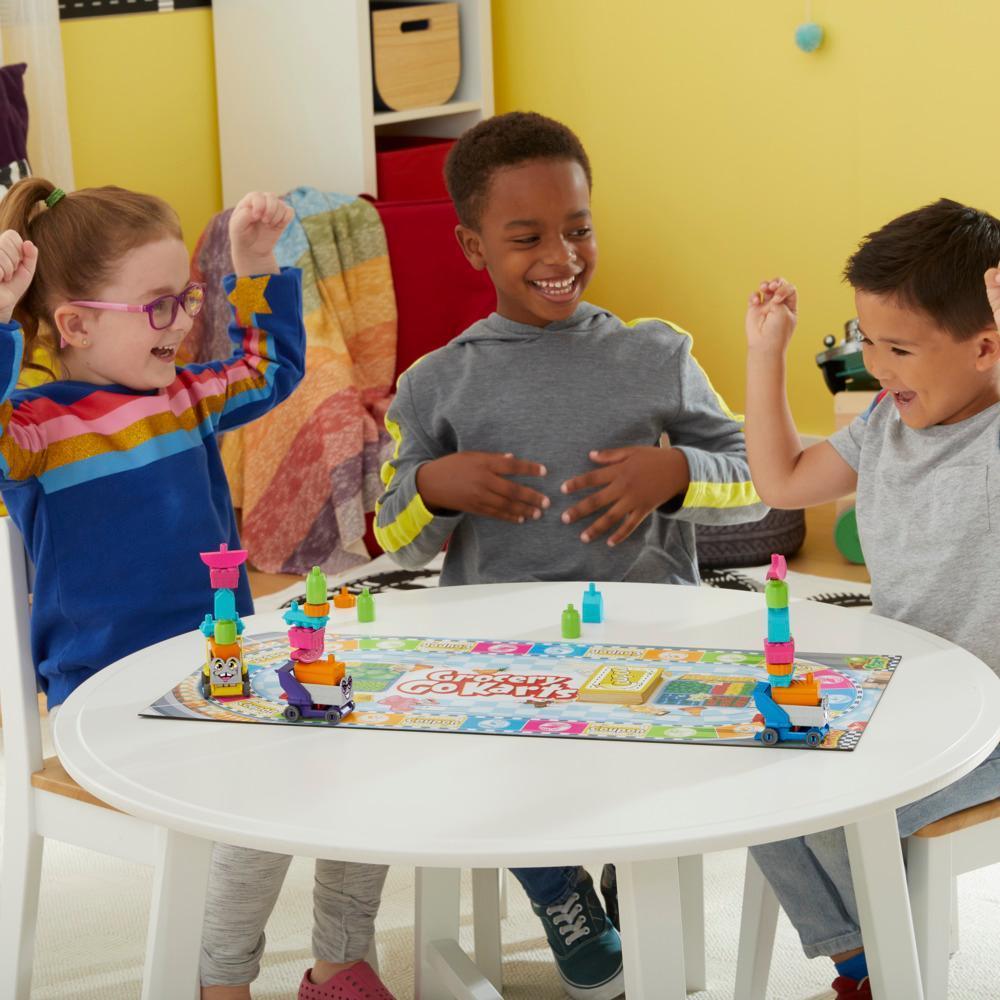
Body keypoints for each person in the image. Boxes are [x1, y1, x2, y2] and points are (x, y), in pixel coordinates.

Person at [375, 111, 766, 1000]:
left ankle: (639, 872)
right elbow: (391, 530)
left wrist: (677, 472)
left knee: (671, 769)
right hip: (504, 658)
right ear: (474, 246)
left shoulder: (655, 354)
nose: (563, 253)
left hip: (654, 634)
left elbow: (758, 482)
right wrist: (436, 486)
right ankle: (558, 890)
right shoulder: (437, 382)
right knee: (476, 754)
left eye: (579, 227)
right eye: (528, 236)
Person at [0, 178, 393, 1000]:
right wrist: (1, 317)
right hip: (102, 700)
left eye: (182, 300)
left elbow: (273, 366)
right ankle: (220, 983)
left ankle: (339, 966)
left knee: (367, 748)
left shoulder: (186, 399)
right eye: (157, 307)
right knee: (257, 792)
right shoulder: (35, 429)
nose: (180, 321)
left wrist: (253, 264)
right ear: (72, 324)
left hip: (217, 669)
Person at [743, 197, 1000, 1000]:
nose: (877, 367)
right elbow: (781, 479)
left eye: (900, 348)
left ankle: (889, 970)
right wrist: (765, 354)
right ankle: (871, 966)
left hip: (988, 722)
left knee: (845, 807)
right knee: (754, 773)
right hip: (901, 699)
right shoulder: (884, 424)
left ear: (987, 345)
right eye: (867, 341)